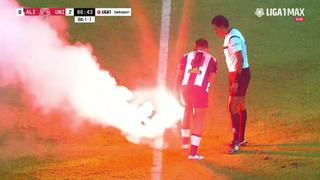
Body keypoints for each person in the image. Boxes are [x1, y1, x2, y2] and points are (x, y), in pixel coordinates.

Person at [211, 15, 251, 154]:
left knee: (232, 107)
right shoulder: (233, 33)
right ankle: (240, 139)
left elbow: (239, 59)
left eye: (216, 30)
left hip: (239, 74)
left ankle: (236, 143)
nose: (215, 32)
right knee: (240, 105)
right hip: (240, 73)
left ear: (222, 27)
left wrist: (236, 81)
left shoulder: (233, 39)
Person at [174, 39, 217, 160]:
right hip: (200, 90)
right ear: (207, 49)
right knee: (199, 119)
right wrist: (208, 93)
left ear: (195, 47)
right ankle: (193, 153)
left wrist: (176, 91)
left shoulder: (185, 56)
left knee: (187, 112)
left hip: (185, 88)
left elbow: (179, 75)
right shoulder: (212, 59)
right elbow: (211, 80)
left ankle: (184, 148)